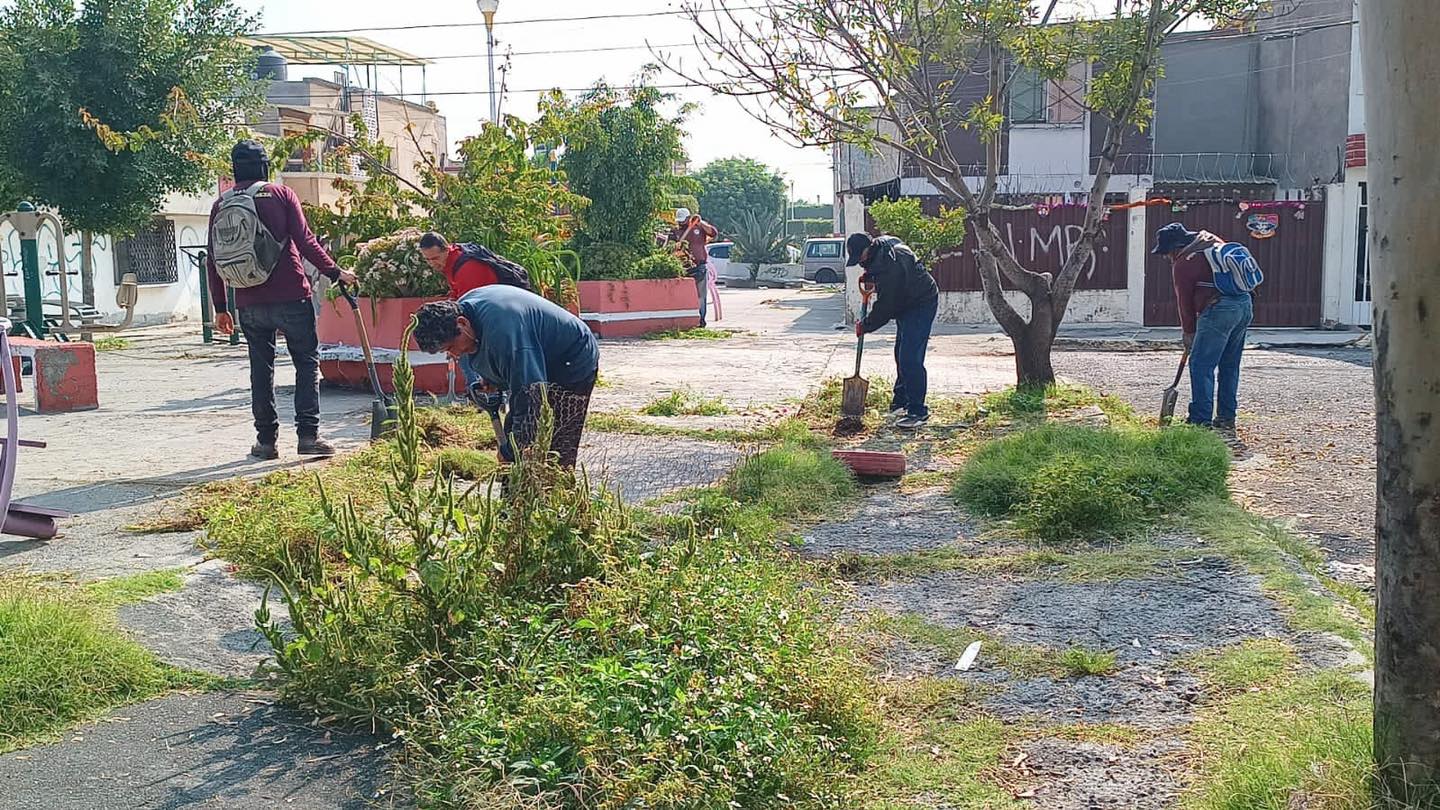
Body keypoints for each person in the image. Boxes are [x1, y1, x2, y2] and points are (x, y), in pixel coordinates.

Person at [207, 140, 356, 460]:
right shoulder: (279, 194)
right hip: (291, 296)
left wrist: (221, 307)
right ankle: (307, 437)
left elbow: (213, 259)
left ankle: (265, 442)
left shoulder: (221, 204)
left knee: (261, 370)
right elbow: (305, 241)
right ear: (264, 166)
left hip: (247, 301)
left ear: (234, 170)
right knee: (306, 363)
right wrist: (335, 272)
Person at [412, 285, 599, 468]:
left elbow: (530, 396)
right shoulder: (463, 314)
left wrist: (511, 450)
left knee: (556, 442)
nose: (454, 354)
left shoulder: (505, 332)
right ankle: (520, 490)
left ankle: (556, 490)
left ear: (462, 323)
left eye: (451, 347)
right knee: (521, 438)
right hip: (534, 350)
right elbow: (495, 357)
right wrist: (493, 378)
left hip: (572, 358)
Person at [1152, 221, 1254, 431]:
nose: (1166, 257)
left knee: (1200, 365)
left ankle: (1200, 420)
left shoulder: (1183, 263)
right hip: (1244, 304)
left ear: (1176, 248)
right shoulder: (1212, 241)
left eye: (1166, 252)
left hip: (1218, 310)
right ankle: (1226, 418)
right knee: (1229, 365)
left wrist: (1188, 333)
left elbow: (1185, 303)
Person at [847, 232, 940, 430]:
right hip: (905, 301)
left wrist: (866, 325)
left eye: (860, 257)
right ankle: (901, 401)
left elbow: (886, 307)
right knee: (900, 353)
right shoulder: (879, 249)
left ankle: (917, 411)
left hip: (921, 302)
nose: (861, 261)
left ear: (869, 247)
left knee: (910, 357)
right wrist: (871, 276)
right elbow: (881, 276)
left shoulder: (891, 266)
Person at [667, 208, 718, 327]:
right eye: (679, 221)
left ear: (688, 218)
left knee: (701, 295)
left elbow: (714, 233)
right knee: (683, 295)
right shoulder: (675, 231)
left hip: (699, 265)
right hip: (682, 267)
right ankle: (684, 320)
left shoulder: (699, 228)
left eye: (683, 220)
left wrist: (700, 223)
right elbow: (669, 247)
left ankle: (701, 321)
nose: (680, 223)